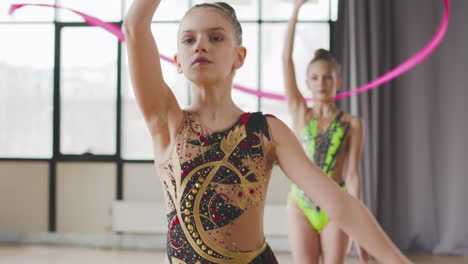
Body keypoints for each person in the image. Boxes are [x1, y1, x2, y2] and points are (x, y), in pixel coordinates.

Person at [124, 1, 410, 263]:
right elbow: (135, 25)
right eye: (189, 39)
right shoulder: (167, 123)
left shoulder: (266, 131)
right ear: (177, 61)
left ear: (239, 56)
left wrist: (397, 260)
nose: (200, 46)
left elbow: (338, 202)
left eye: (215, 37)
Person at [282, 0, 371, 263]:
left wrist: (359, 224)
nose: (322, 83)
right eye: (316, 78)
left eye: (328, 77)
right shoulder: (301, 113)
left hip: (336, 204)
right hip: (301, 204)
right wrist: (296, 10)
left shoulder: (352, 123)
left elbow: (353, 175)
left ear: (338, 82)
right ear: (308, 82)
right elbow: (286, 59)